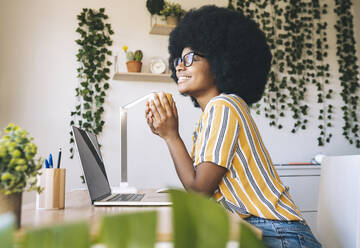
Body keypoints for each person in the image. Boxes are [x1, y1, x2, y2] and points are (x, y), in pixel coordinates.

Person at [145, 5, 321, 248]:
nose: (179, 66)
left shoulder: (224, 106)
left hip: (280, 235)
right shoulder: (213, 113)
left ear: (219, 62)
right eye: (178, 59)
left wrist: (171, 136)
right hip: (265, 230)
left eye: (189, 58)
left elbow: (198, 190)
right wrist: (168, 134)